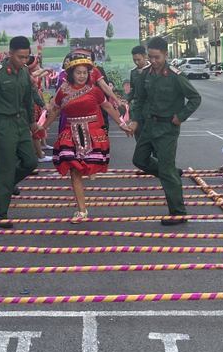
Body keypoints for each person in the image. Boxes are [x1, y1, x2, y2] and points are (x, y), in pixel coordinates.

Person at [42, 55, 133, 223]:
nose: (82, 76)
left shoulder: (95, 90)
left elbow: (107, 107)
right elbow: (55, 111)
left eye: (85, 73)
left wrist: (121, 124)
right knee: (74, 169)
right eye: (78, 73)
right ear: (71, 74)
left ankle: (89, 170)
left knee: (91, 164)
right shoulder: (63, 91)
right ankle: (81, 209)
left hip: (92, 132)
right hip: (70, 132)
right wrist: (44, 127)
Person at [128, 36, 202, 226]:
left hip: (168, 127)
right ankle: (171, 172)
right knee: (139, 160)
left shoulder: (176, 76)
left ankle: (178, 212)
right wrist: (135, 120)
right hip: (150, 124)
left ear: (166, 55)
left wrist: (181, 116)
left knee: (166, 170)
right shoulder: (146, 73)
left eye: (157, 57)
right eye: (150, 57)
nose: (153, 61)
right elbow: (140, 98)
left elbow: (195, 98)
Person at [0, 35, 40, 229]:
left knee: (30, 162)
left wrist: (32, 121)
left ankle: (9, 183)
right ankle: (0, 213)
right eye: (20, 57)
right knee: (6, 168)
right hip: (3, 125)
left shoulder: (24, 73)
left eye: (27, 57)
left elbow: (28, 100)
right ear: (10, 53)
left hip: (21, 124)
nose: (24, 60)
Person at [125, 45, 150, 139]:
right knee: (140, 139)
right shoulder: (134, 72)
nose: (136, 62)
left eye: (138, 59)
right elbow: (133, 90)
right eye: (134, 60)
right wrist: (126, 100)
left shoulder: (152, 70)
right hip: (138, 111)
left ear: (145, 56)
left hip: (150, 111)